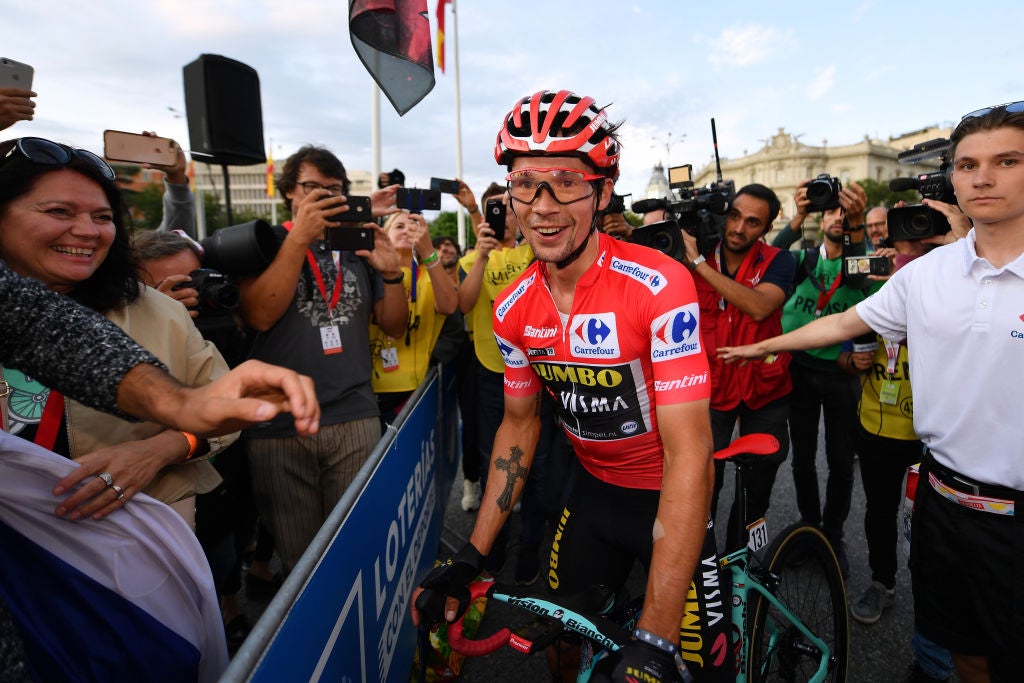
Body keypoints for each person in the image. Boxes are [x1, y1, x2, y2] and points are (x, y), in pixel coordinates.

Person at [413, 90, 714, 683]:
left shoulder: (659, 285)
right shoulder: (514, 306)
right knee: (562, 648)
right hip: (593, 491)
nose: (543, 207)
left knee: (693, 670)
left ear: (603, 192)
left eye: (566, 183)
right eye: (526, 183)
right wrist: (473, 555)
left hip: (671, 494)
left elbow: (689, 451)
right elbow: (520, 425)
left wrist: (655, 633)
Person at [718, 101, 1024, 683]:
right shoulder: (926, 274)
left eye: (1006, 161)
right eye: (967, 164)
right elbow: (843, 322)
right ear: (951, 177)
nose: (982, 177)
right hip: (944, 499)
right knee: (965, 652)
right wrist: (766, 346)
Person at [0, 136, 236, 526]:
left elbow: (223, 417)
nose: (88, 231)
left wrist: (161, 450)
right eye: (60, 211)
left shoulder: (161, 313)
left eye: (102, 217)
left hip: (128, 546)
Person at [238, 144, 405, 574]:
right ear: (289, 192)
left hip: (353, 414)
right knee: (300, 563)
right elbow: (259, 315)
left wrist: (391, 273)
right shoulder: (264, 241)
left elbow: (394, 325)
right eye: (313, 188)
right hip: (279, 424)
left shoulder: (357, 246)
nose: (325, 197)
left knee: (354, 547)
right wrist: (299, 239)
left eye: (334, 189)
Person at [682, 183, 795, 549]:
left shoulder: (780, 260)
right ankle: (702, 565)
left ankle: (741, 568)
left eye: (751, 222)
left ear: (765, 228)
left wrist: (699, 266)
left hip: (766, 389)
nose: (738, 228)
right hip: (712, 389)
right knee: (702, 482)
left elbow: (760, 306)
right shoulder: (693, 253)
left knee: (756, 489)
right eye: (734, 215)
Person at [773, 176, 873, 574]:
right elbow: (769, 256)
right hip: (798, 370)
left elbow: (857, 279)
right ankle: (809, 527)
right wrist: (797, 217)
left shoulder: (858, 259)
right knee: (801, 459)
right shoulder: (804, 260)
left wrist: (858, 221)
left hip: (839, 373)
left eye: (842, 213)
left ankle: (833, 536)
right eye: (830, 211)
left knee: (840, 462)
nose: (837, 218)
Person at [455, 181, 550, 583]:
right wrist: (479, 256)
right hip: (492, 374)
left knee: (540, 470)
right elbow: (462, 304)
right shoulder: (473, 259)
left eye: (508, 207)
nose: (503, 215)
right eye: (495, 210)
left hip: (540, 373)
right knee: (499, 461)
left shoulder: (536, 251)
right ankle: (491, 554)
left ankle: (530, 554)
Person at [371, 210, 458, 422]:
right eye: (399, 226)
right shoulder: (369, 271)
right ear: (385, 234)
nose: (406, 231)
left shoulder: (431, 275)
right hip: (369, 389)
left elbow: (449, 306)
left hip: (412, 390)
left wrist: (428, 250)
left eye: (413, 227)